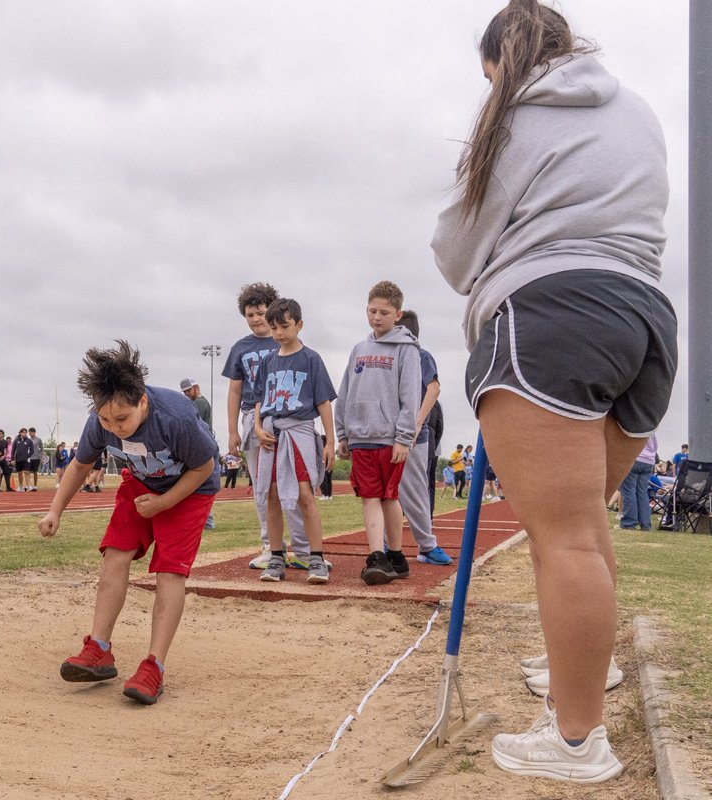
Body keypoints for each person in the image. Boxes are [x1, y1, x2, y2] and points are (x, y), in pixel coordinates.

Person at [431, 0, 677, 782]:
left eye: (487, 73)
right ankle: (583, 676)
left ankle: (575, 741)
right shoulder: (633, 108)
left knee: (561, 538)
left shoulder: (509, 119)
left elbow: (457, 245)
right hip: (644, 317)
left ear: (499, 61)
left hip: (551, 315)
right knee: (584, 528)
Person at [39, 341, 219, 705]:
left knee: (169, 573)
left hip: (189, 491)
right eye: (106, 420)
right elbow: (80, 465)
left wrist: (165, 503)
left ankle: (154, 666)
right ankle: (99, 649)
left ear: (143, 402)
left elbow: (205, 467)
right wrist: (55, 509)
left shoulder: (177, 418)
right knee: (115, 556)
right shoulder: (101, 421)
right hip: (139, 486)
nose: (115, 428)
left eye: (122, 419)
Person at [334, 280, 420, 585]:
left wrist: (404, 437)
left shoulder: (407, 351)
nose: (377, 317)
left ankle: (395, 554)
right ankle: (376, 556)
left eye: (384, 312)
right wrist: (342, 432)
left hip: (390, 437)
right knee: (369, 496)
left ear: (397, 314)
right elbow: (345, 392)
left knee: (388, 496)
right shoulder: (359, 349)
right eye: (372, 311)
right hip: (360, 436)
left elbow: (410, 396)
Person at [222, 282, 312, 570]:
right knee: (263, 487)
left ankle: (303, 548)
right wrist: (233, 429)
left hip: (288, 420)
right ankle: (270, 547)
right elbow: (235, 390)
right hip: (253, 417)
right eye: (250, 314)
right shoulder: (241, 348)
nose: (257, 319)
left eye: (261, 312)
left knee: (295, 486)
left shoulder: (285, 341)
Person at [251, 299, 336, 584]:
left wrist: (330, 442)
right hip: (271, 434)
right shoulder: (268, 360)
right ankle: (276, 557)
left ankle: (316, 558)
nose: (278, 333)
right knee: (271, 493)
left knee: (304, 493)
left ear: (299, 325)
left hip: (297, 432)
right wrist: (257, 427)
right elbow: (260, 400)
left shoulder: (311, 359)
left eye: (284, 326)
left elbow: (324, 403)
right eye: (274, 327)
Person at [395, 310, 453, 566]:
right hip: (386, 433)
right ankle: (386, 546)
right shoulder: (385, 356)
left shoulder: (421, 356)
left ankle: (426, 546)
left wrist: (417, 423)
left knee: (415, 491)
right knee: (386, 493)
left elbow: (434, 388)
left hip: (413, 437)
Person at [180, 377, 216, 529]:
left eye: (188, 390)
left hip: (200, 447)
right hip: (203, 445)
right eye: (184, 392)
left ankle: (207, 520)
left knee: (198, 484)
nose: (186, 394)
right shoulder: (199, 402)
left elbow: (192, 424)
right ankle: (205, 520)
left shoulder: (199, 403)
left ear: (196, 387)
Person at [617, 435, 658, 531]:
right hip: (649, 461)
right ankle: (646, 524)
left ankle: (628, 524)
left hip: (634, 458)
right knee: (642, 492)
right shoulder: (651, 428)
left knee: (629, 492)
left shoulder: (633, 423)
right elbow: (655, 446)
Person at [27, 427, 44, 491]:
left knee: (35, 472)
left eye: (30, 432)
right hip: (29, 458)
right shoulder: (28, 440)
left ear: (34, 432)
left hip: (36, 458)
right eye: (29, 433)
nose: (30, 434)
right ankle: (28, 485)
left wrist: (41, 457)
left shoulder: (39, 440)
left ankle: (35, 486)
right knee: (27, 472)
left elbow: (42, 449)